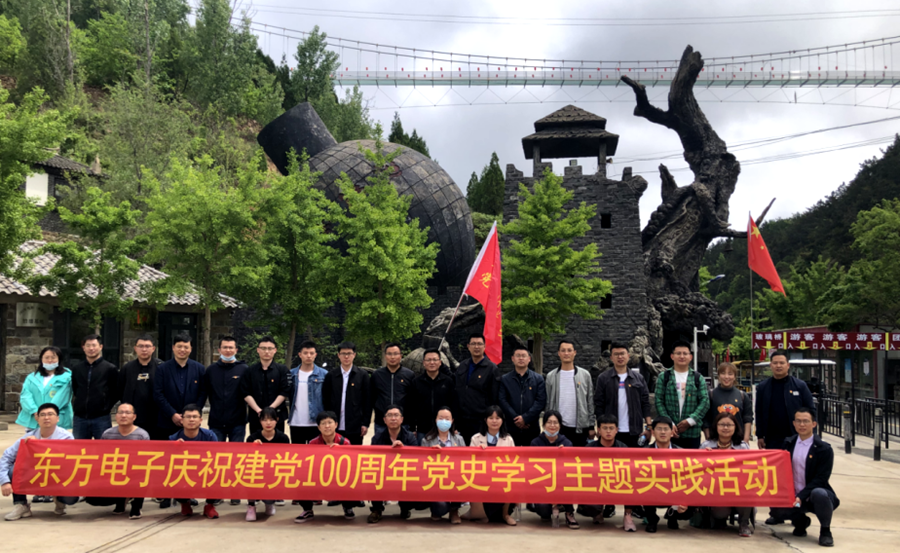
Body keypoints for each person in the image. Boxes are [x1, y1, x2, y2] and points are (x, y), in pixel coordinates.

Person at [755, 350, 815, 525]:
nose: (778, 366)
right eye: (775, 363)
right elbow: (759, 412)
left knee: (797, 474)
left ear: (788, 365)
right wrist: (760, 435)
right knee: (775, 476)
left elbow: (811, 410)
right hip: (773, 439)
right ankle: (776, 512)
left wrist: (809, 434)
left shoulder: (800, 386)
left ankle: (798, 513)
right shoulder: (763, 387)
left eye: (782, 363)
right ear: (770, 365)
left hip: (796, 438)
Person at [769, 407, 838, 547]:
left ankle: (825, 531)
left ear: (814, 424)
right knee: (776, 509)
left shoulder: (824, 449)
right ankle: (800, 521)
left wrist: (801, 495)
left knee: (819, 493)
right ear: (793, 423)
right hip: (794, 496)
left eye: (806, 421)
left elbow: (821, 479)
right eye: (798, 421)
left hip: (813, 495)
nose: (802, 425)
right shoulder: (788, 443)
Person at [1, 403, 78, 520]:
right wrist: (4, 481)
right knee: (13, 470)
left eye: (50, 414)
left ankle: (59, 499)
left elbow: (69, 462)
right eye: (42, 415)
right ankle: (21, 504)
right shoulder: (28, 437)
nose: (46, 417)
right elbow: (7, 457)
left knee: (70, 499)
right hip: (34, 474)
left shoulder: (66, 437)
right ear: (37, 418)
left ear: (57, 418)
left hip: (57, 475)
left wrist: (38, 444)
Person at [86, 403, 150, 519]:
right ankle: (121, 501)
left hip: (135, 472)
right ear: (116, 416)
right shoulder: (108, 434)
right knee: (92, 498)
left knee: (143, 474)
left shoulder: (142, 435)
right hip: (113, 471)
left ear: (134, 417)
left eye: (127, 413)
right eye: (120, 412)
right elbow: (102, 456)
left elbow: (146, 460)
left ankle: (136, 506)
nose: (123, 415)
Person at [293, 411, 358, 522]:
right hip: (319, 478)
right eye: (323, 423)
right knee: (300, 479)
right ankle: (307, 510)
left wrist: (341, 452)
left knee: (353, 481)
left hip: (339, 479)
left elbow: (351, 466)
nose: (327, 426)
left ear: (336, 424)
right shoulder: (313, 443)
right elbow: (307, 465)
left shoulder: (345, 442)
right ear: (319, 427)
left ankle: (347, 507)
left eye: (330, 422)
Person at [578, 414, 638, 532]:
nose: (608, 431)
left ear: (617, 430)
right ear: (599, 430)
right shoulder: (589, 448)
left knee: (632, 483)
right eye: (605, 428)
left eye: (611, 428)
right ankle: (598, 512)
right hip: (597, 485)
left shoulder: (623, 449)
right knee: (589, 507)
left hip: (618, 484)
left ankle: (627, 516)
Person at [700, 412, 752, 537]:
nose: (725, 428)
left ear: (735, 427)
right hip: (716, 489)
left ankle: (744, 522)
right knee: (719, 513)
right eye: (722, 424)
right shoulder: (706, 445)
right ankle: (720, 519)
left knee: (749, 492)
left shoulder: (742, 447)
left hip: (739, 488)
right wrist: (705, 457)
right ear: (716, 427)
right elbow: (697, 470)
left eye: (729, 425)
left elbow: (751, 469)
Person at [367, 405, 420, 524]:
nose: (393, 418)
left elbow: (416, 457)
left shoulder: (409, 436)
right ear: (384, 420)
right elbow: (373, 459)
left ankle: (405, 507)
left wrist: (404, 448)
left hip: (404, 472)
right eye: (389, 415)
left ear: (402, 419)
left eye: (396, 415)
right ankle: (377, 509)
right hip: (384, 472)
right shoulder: (377, 438)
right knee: (372, 475)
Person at [593, 342, 652, 448]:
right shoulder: (603, 378)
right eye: (616, 354)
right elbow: (599, 405)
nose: (620, 357)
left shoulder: (638, 378)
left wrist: (649, 427)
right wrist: (601, 428)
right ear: (611, 357)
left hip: (635, 430)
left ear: (628, 356)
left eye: (622, 353)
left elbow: (645, 403)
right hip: (612, 432)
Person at [654, 340, 710, 449]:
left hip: (692, 433)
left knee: (691, 459)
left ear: (690, 357)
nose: (682, 356)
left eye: (685, 353)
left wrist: (690, 421)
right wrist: (670, 424)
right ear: (672, 356)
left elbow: (705, 402)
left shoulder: (698, 378)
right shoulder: (664, 377)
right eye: (678, 353)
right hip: (670, 433)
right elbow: (658, 401)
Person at [169, 404, 219, 519]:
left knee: (219, 473)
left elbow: (217, 458)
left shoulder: (210, 436)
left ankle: (209, 505)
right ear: (182, 420)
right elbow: (169, 463)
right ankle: (185, 503)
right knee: (171, 477)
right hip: (184, 472)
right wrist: (175, 449)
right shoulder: (174, 438)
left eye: (195, 417)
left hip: (204, 470)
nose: (191, 420)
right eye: (188, 417)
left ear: (200, 420)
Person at [153, 333, 207, 439]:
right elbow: (158, 394)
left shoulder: (199, 369)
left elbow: (203, 393)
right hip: (167, 421)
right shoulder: (162, 369)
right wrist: (172, 414)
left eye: (186, 347)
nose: (182, 350)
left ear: (191, 349)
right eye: (179, 346)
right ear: (173, 347)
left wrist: (192, 415)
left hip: (191, 424)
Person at [530, 410, 578, 529]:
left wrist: (564, 454)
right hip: (542, 482)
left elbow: (571, 467)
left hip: (562, 482)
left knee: (569, 481)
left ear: (560, 425)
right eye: (549, 422)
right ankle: (549, 509)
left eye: (555, 422)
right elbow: (532, 467)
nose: (552, 425)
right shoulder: (535, 443)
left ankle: (569, 512)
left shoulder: (567, 443)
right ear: (543, 424)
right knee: (543, 510)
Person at [468, 406, 516, 526]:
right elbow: (469, 462)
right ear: (485, 420)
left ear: (502, 420)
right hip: (482, 478)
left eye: (497, 418)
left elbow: (514, 463)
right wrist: (478, 452)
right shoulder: (476, 439)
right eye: (491, 418)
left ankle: (505, 514)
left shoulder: (508, 439)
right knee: (488, 517)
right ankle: (476, 512)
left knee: (510, 481)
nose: (494, 421)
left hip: (501, 478)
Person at [641, 416, 689, 533]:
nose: (663, 432)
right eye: (659, 429)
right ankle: (652, 519)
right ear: (653, 432)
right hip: (652, 489)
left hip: (674, 489)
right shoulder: (643, 453)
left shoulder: (682, 453)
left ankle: (672, 516)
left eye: (666, 429)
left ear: (672, 432)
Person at [544, 340, 596, 447]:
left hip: (580, 427)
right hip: (558, 428)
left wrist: (591, 426)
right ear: (559, 353)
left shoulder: (585, 375)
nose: (566, 353)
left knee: (579, 456)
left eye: (569, 350)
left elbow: (590, 401)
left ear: (574, 352)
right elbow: (548, 402)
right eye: (563, 350)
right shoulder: (551, 376)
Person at [420, 407, 465, 524]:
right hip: (435, 479)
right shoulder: (427, 440)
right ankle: (438, 509)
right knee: (440, 508)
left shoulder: (459, 439)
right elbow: (421, 464)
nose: (444, 421)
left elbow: (465, 461)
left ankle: (454, 510)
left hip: (454, 478)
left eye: (447, 418)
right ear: (436, 420)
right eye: (441, 418)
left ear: (452, 421)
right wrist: (432, 453)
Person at [454, 333, 501, 443]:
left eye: (479, 344)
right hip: (462, 419)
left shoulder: (491, 368)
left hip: (480, 420)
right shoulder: (462, 366)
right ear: (468, 346)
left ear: (484, 347)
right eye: (473, 344)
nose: (476, 347)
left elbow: (494, 397)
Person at [245, 407, 290, 522]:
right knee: (249, 474)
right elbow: (245, 459)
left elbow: (287, 459)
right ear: (260, 421)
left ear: (277, 420)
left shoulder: (283, 438)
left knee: (269, 497)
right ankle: (251, 506)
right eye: (265, 420)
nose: (268, 423)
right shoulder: (252, 438)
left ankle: (269, 504)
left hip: (274, 473)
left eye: (271, 419)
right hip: (257, 471)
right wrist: (253, 447)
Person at [322, 341, 371, 446]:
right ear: (338, 355)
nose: (346, 356)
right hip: (334, 425)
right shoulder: (331, 375)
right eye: (343, 353)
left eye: (349, 353)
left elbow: (367, 401)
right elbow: (325, 399)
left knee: (354, 453)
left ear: (354, 355)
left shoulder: (362, 375)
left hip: (355, 425)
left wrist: (365, 423)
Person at [71, 334, 118, 439]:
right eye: (88, 345)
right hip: (80, 417)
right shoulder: (77, 368)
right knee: (79, 447)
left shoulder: (110, 368)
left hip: (101, 417)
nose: (91, 348)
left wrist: (105, 406)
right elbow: (76, 388)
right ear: (83, 348)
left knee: (103, 447)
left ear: (101, 347)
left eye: (94, 345)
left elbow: (115, 391)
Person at [15, 346, 73, 432]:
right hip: (34, 419)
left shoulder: (67, 377)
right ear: (41, 359)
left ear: (59, 359)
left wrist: (47, 413)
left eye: (53, 357)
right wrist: (35, 412)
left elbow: (62, 397)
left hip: (57, 420)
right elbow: (25, 396)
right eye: (46, 357)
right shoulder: (32, 377)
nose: (50, 360)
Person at [241, 336, 290, 434]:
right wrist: (259, 410)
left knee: (277, 442)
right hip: (256, 416)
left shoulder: (282, 370)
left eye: (270, 348)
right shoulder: (250, 371)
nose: (267, 351)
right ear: (258, 350)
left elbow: (284, 391)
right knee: (255, 442)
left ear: (275, 350)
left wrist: (270, 410)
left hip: (276, 416)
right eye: (263, 348)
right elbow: (245, 392)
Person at [498, 346, 546, 447]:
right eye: (518, 356)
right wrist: (516, 419)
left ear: (529, 359)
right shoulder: (505, 379)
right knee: (510, 455)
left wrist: (525, 418)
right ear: (513, 358)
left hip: (531, 427)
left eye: (524, 356)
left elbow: (540, 401)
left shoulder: (538, 379)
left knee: (531, 455)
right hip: (511, 427)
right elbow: (502, 400)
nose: (521, 358)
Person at [118, 334, 162, 439]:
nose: (144, 349)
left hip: (156, 418)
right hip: (134, 419)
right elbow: (120, 390)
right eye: (141, 346)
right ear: (135, 348)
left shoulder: (161, 367)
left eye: (147, 346)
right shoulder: (127, 368)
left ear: (153, 348)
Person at [409, 348, 457, 444]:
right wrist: (412, 428)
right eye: (428, 360)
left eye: (435, 360)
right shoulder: (416, 382)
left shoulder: (448, 382)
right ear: (423, 363)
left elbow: (454, 405)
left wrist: (455, 427)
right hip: (423, 429)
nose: (432, 362)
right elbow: (411, 406)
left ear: (440, 362)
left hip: (444, 428)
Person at [286, 340, 329, 445]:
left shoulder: (324, 374)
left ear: (315, 355)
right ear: (300, 354)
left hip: (316, 423)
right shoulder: (291, 374)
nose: (308, 356)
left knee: (316, 453)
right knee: (297, 453)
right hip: (296, 422)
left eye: (311, 353)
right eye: (305, 353)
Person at [371, 343, 416, 436]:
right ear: (385, 356)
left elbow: (413, 401)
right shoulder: (377, 375)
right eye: (389, 354)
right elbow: (371, 398)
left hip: (404, 423)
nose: (392, 357)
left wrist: (413, 425)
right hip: (381, 423)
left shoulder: (409, 375)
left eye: (395, 354)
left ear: (401, 356)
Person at [705, 362, 752, 445]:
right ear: (718, 375)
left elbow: (747, 418)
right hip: (715, 441)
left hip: (737, 441)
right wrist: (708, 439)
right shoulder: (710, 395)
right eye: (723, 373)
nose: (726, 377)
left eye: (730, 374)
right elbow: (706, 420)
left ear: (734, 376)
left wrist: (746, 439)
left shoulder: (742, 396)